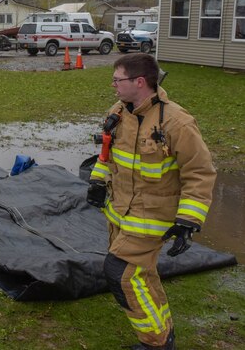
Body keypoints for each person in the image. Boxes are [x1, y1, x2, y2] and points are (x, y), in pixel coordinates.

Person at [86, 53, 215, 350]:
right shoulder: (118, 113)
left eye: (118, 80)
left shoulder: (177, 123)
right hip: (120, 213)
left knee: (122, 275)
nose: (113, 85)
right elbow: (107, 155)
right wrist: (96, 180)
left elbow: (200, 172)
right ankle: (164, 330)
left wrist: (188, 221)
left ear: (139, 82)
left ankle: (156, 342)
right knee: (141, 275)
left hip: (153, 216)